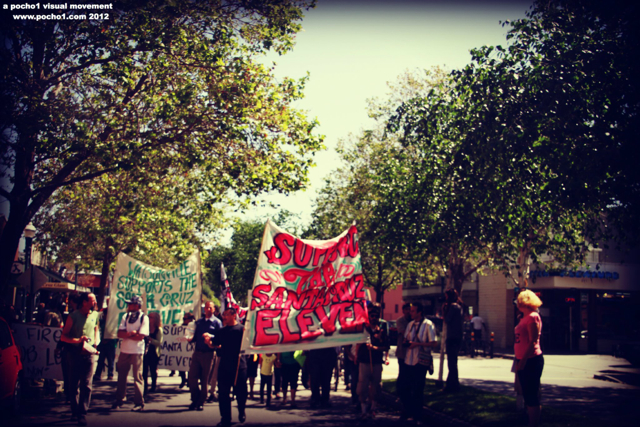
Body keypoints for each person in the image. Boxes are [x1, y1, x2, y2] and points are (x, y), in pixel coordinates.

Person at [60, 292, 99, 426]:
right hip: (74, 353)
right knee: (73, 384)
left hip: (89, 354)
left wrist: (95, 343)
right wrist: (78, 340)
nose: (95, 302)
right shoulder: (73, 316)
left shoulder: (95, 315)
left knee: (86, 384)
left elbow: (96, 329)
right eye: (93, 300)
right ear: (84, 302)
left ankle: (82, 413)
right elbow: (63, 336)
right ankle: (74, 411)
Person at [206, 307, 247, 427]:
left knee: (241, 392)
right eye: (224, 315)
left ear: (234, 315)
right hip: (224, 365)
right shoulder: (221, 331)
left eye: (227, 315)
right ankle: (225, 418)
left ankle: (241, 410)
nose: (224, 317)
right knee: (223, 393)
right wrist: (208, 342)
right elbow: (215, 344)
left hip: (239, 366)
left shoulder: (242, 329)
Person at [400, 302, 437, 423]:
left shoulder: (428, 324)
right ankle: (408, 411)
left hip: (420, 361)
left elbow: (433, 343)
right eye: (410, 310)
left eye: (413, 311)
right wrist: (406, 343)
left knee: (418, 389)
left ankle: (417, 415)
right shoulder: (410, 324)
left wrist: (418, 344)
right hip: (408, 360)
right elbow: (406, 339)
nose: (410, 313)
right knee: (405, 387)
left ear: (419, 312)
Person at [112, 295, 149, 412]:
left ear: (137, 305)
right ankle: (119, 399)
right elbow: (119, 333)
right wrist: (131, 333)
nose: (128, 306)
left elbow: (141, 336)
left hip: (137, 351)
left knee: (137, 377)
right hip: (124, 350)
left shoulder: (144, 318)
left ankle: (139, 402)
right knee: (121, 376)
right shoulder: (126, 316)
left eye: (131, 304)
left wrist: (127, 334)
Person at [515, 289, 544, 427]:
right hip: (522, 359)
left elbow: (533, 341)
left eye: (519, 301)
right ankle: (530, 421)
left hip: (531, 360)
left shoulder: (533, 317)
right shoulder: (524, 318)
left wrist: (523, 362)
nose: (517, 303)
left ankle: (534, 424)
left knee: (531, 394)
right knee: (527, 394)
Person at [356, 303, 389, 420]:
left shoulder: (383, 328)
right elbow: (358, 343)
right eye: (372, 315)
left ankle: (373, 408)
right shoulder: (363, 327)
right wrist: (356, 356)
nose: (374, 318)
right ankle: (363, 410)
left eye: (376, 316)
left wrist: (375, 348)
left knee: (376, 385)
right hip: (364, 361)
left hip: (377, 362)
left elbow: (386, 346)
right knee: (363, 386)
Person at [188, 301, 222, 410]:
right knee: (192, 378)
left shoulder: (217, 322)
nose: (208, 309)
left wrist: (210, 336)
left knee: (205, 379)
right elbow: (194, 337)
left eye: (210, 308)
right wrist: (189, 338)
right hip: (197, 353)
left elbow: (220, 337)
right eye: (206, 307)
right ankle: (195, 398)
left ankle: (201, 401)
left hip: (209, 354)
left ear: (214, 309)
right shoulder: (199, 322)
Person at [443, 289, 464, 392]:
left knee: (451, 363)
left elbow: (447, 319)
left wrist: (444, 311)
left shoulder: (452, 307)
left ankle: (453, 385)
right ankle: (451, 383)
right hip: (458, 336)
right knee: (453, 362)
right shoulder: (459, 307)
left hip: (452, 337)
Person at [94, 302, 118, 382]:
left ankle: (110, 374)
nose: (104, 316)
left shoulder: (113, 323)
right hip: (103, 344)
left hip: (111, 344)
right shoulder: (102, 322)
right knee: (101, 360)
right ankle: (98, 374)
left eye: (105, 314)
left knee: (110, 360)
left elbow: (115, 334)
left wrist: (107, 340)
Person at [143, 312, 163, 395]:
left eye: (150, 317)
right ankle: (144, 386)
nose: (148, 318)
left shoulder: (158, 330)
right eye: (148, 316)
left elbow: (159, 342)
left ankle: (153, 386)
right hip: (145, 352)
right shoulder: (145, 328)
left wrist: (151, 340)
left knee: (152, 370)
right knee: (144, 370)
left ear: (155, 319)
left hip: (154, 352)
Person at [395, 303, 412, 398]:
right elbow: (403, 332)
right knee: (402, 373)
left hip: (412, 352)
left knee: (410, 374)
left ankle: (408, 393)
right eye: (407, 309)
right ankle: (399, 393)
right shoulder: (400, 321)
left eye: (410, 309)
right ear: (403, 311)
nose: (409, 312)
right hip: (402, 351)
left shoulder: (414, 320)